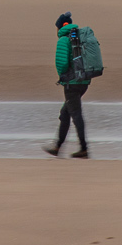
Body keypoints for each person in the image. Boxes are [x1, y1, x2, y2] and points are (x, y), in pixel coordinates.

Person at [46, 11, 91, 158]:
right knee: (65, 113)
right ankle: (58, 147)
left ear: (59, 27)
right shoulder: (78, 37)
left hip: (72, 83)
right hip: (84, 81)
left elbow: (62, 62)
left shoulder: (63, 40)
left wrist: (62, 77)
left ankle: (84, 149)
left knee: (76, 114)